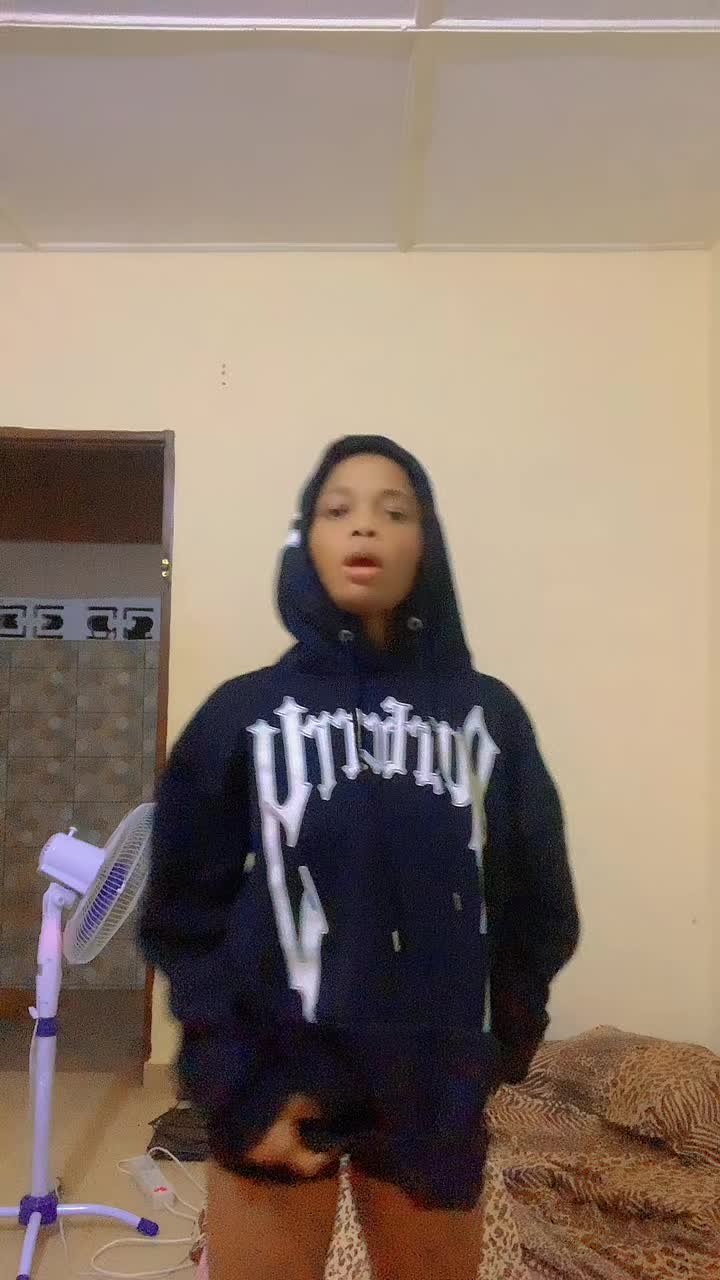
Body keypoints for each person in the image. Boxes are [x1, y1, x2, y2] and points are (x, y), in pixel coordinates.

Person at [139, 436, 579, 1280]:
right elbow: (181, 915)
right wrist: (231, 1077)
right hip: (278, 1078)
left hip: (431, 1088)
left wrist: (497, 1052)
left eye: (394, 510)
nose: (365, 525)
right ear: (305, 541)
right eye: (337, 509)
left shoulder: (489, 719)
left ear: (426, 542)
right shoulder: (244, 714)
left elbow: (539, 906)